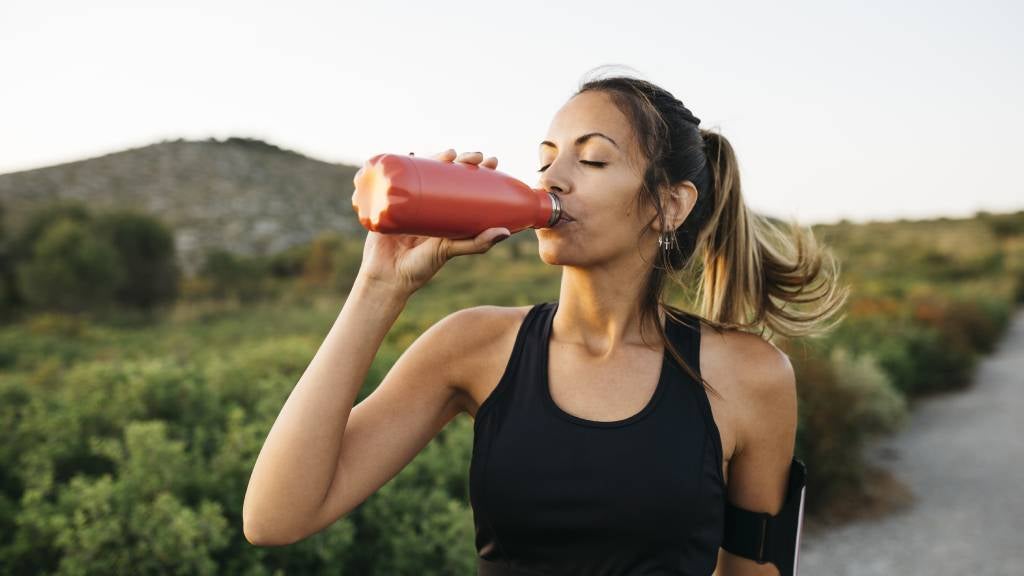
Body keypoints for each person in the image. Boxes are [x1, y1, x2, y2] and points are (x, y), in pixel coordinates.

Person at [242, 70, 849, 575]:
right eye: (546, 158)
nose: (552, 179)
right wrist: (379, 285)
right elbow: (276, 518)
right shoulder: (473, 346)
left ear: (669, 204)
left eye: (591, 159)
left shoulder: (750, 376)